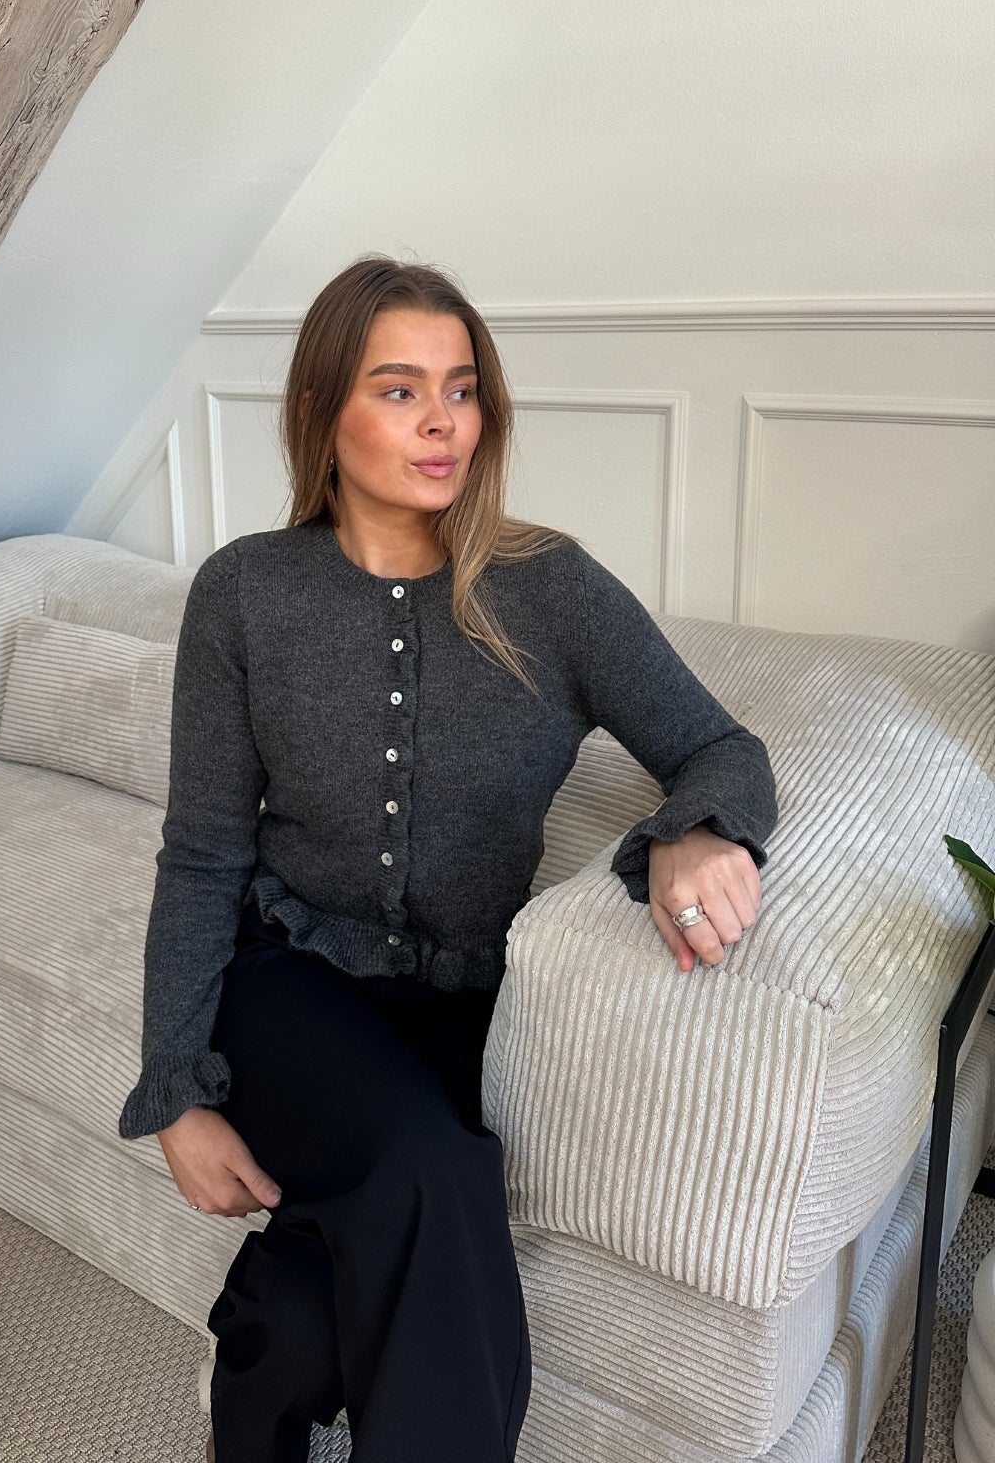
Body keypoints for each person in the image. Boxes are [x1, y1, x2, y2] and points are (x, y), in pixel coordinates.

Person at [117, 254, 779, 1463]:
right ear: (321, 412)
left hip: (462, 1005)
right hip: (286, 986)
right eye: (400, 389)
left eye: (462, 389)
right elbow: (202, 856)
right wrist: (177, 1094)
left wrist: (691, 833)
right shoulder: (245, 594)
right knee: (435, 1178)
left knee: (308, 1313)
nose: (443, 422)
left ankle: (254, 1383)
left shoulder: (550, 590)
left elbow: (720, 747)